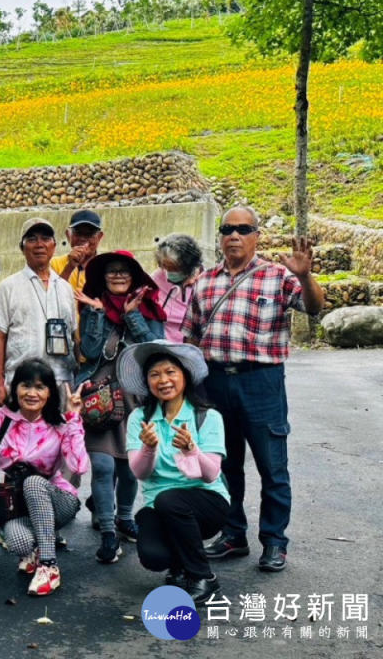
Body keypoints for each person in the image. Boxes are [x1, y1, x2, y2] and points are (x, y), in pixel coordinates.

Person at [183, 206, 324, 572]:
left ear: (256, 236)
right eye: (227, 228)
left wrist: (306, 277)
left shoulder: (278, 276)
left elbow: (314, 308)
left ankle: (275, 541)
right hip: (214, 381)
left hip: (260, 381)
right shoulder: (204, 282)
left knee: (272, 465)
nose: (234, 235)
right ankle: (233, 535)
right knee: (225, 464)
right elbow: (191, 336)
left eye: (243, 229)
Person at [0, 359, 88, 597]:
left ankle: (49, 566)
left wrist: (74, 419)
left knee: (34, 482)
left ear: (49, 393)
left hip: (57, 500)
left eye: (40, 387)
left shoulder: (58, 424)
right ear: (15, 388)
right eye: (25, 386)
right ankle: (37, 548)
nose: (32, 393)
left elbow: (79, 465)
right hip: (16, 505)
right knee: (19, 543)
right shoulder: (1, 418)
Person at [119, 340, 229, 605]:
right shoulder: (139, 419)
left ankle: (203, 576)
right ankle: (179, 563)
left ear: (185, 376)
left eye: (170, 372)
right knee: (153, 556)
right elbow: (140, 472)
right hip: (160, 505)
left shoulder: (207, 417)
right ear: (147, 382)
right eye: (155, 374)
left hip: (207, 502)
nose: (163, 380)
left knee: (171, 500)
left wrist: (192, 450)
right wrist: (148, 447)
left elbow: (212, 474)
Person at [75, 250, 166, 563]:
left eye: (123, 272)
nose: (116, 276)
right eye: (111, 271)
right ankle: (108, 533)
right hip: (99, 396)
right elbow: (88, 350)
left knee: (128, 468)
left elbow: (154, 352)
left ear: (134, 277)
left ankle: (125, 517)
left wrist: (132, 315)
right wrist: (98, 314)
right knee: (102, 465)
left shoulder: (149, 307)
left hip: (135, 398)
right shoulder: (93, 305)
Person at [0, 218, 78, 406]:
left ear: (54, 246)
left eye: (45, 239)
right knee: (20, 434)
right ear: (22, 247)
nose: (39, 244)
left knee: (60, 433)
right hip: (21, 381)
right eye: (32, 239)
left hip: (61, 379)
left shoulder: (65, 288)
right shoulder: (8, 287)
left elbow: (72, 334)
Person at [152, 234, 203, 343]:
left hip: (192, 345)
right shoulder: (157, 278)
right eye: (165, 267)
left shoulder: (203, 282)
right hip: (162, 344)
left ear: (188, 265)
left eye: (175, 268)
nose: (169, 272)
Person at [50, 209, 104, 293]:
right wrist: (69, 267)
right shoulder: (53, 264)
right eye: (78, 233)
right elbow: (49, 297)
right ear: (68, 235)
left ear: (99, 237)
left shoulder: (106, 266)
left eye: (89, 234)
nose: (82, 238)